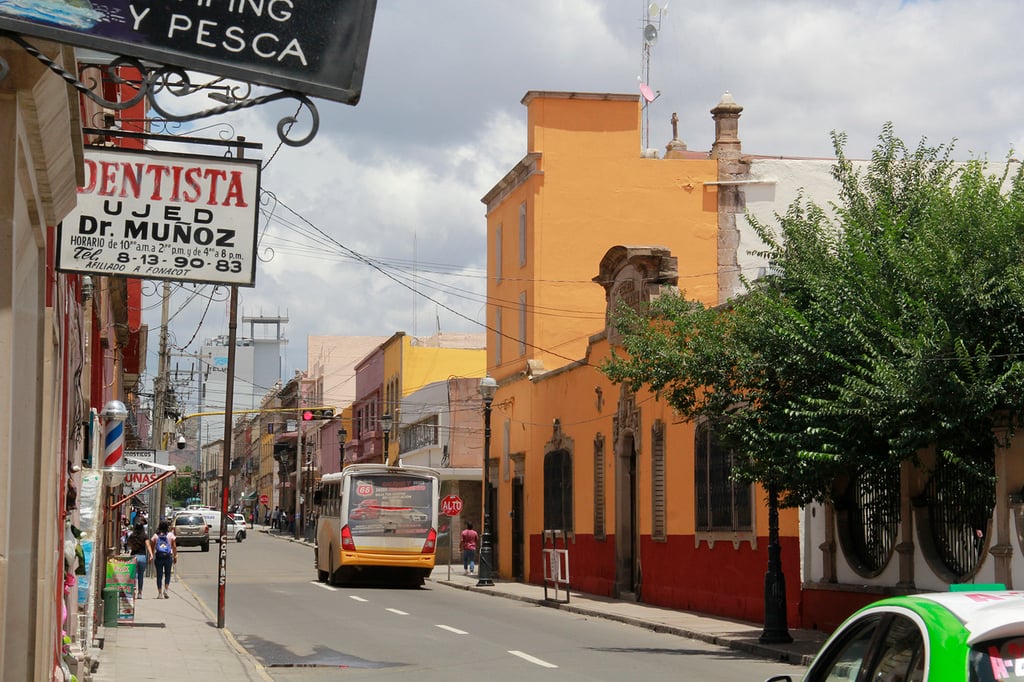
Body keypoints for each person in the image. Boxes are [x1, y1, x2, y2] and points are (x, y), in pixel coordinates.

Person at [150, 520, 177, 599]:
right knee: (168, 574)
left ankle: (159, 593)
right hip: (168, 557)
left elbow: (152, 546)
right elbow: (174, 546)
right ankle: (166, 589)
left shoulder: (156, 535)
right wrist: (175, 556)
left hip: (159, 557)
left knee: (159, 575)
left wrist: (151, 555)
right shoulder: (170, 535)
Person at [126, 523, 152, 597]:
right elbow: (148, 545)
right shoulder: (144, 536)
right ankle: (140, 592)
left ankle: (133, 590)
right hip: (142, 557)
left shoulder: (132, 536)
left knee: (133, 575)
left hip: (133, 556)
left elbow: (129, 545)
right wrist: (151, 554)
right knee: (141, 575)